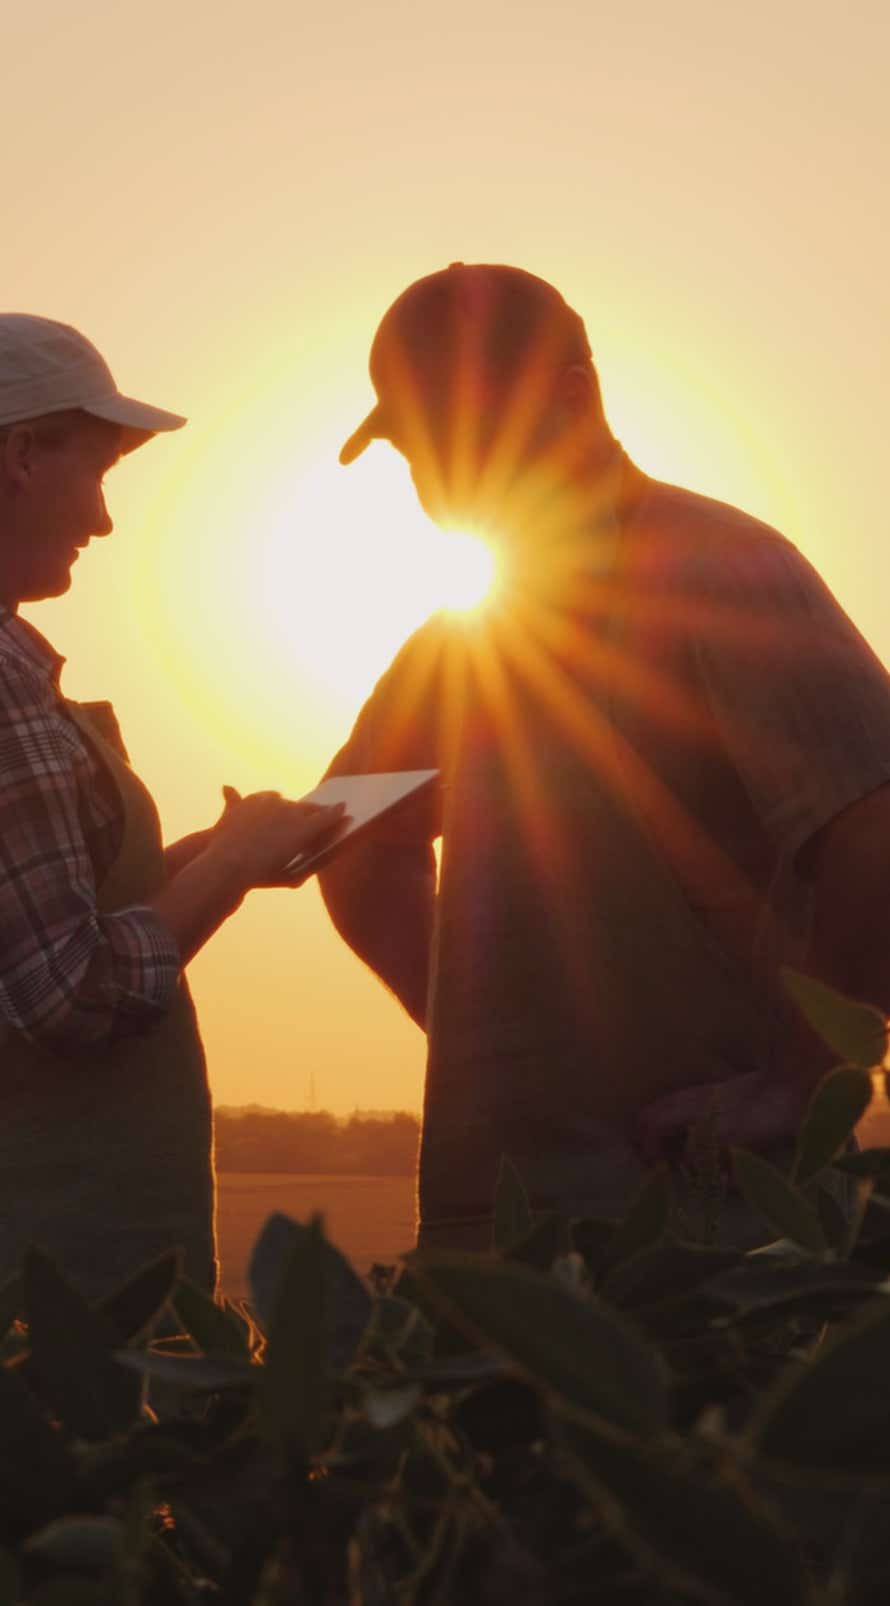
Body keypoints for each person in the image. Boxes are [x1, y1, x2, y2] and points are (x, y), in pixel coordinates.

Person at [318, 263, 890, 1249]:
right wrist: (486, 1053)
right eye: (417, 448)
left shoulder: (715, 568)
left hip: (706, 1222)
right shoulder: (456, 645)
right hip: (499, 1228)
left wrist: (801, 1085)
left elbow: (872, 827)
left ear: (576, 394)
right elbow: (354, 846)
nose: (439, 474)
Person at [0, 312, 343, 1296]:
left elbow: (20, 931)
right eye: (95, 473)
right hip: (45, 1278)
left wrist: (215, 852)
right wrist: (228, 869)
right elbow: (72, 993)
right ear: (19, 457)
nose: (102, 519)